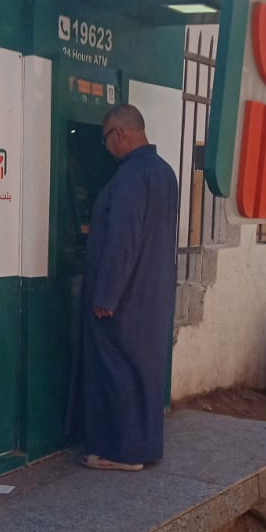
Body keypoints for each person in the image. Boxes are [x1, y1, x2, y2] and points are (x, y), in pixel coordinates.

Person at [67, 104, 178, 471]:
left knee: (116, 370)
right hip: (151, 293)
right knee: (143, 373)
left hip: (123, 298)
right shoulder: (164, 173)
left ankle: (120, 453)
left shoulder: (130, 177)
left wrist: (107, 295)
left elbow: (123, 241)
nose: (105, 147)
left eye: (105, 139)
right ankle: (145, 446)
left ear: (119, 133)